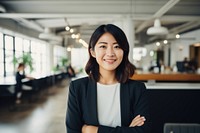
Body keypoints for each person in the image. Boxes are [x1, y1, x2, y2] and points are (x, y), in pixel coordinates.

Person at [66, 24, 151, 133]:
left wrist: (93, 130)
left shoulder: (137, 89)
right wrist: (127, 130)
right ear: (92, 52)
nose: (110, 53)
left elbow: (143, 131)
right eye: (103, 46)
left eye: (117, 46)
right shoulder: (78, 88)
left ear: (124, 52)